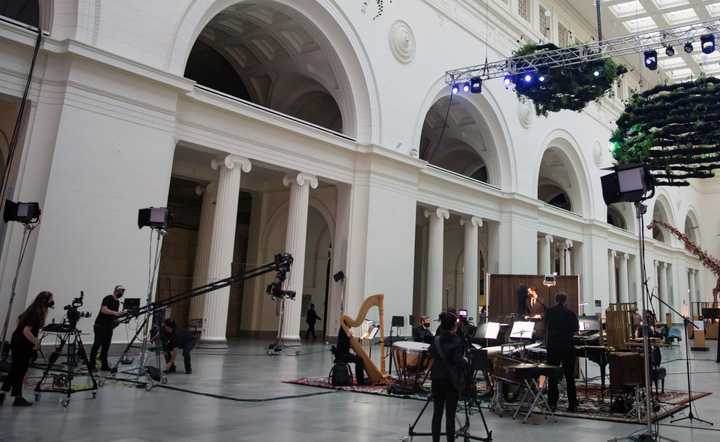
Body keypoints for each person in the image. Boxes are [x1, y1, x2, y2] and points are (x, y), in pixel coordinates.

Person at [1, 291, 54, 406]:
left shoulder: (33, 310)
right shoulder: (36, 313)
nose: (52, 302)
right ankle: (17, 397)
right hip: (21, 344)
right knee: (20, 370)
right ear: (44, 301)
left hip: (18, 341)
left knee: (15, 369)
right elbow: (26, 331)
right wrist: (36, 342)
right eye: (50, 299)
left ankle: (3, 393)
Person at [430, 311, 464, 442]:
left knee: (437, 414)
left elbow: (431, 353)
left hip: (437, 379)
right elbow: (457, 360)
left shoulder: (436, 339)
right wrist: (464, 360)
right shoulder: (457, 340)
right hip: (451, 380)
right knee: (450, 415)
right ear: (453, 326)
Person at [544, 292, 579, 412]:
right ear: (565, 301)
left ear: (555, 299)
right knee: (569, 377)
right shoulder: (570, 313)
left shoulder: (549, 311)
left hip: (553, 346)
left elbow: (546, 326)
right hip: (567, 346)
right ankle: (572, 404)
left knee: (552, 376)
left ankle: (552, 403)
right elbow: (575, 329)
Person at [90, 285, 125, 371]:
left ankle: (104, 366)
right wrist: (115, 313)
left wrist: (120, 316)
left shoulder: (117, 302)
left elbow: (113, 315)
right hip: (100, 326)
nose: (122, 293)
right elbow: (104, 310)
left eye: (123, 292)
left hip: (109, 327)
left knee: (106, 347)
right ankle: (91, 365)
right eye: (121, 291)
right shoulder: (108, 298)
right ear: (116, 290)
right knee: (97, 345)